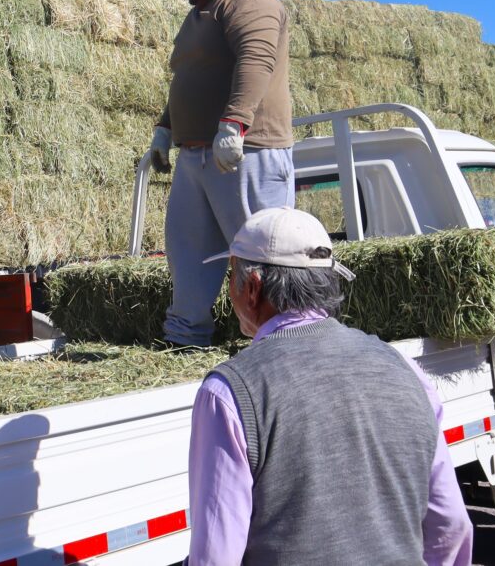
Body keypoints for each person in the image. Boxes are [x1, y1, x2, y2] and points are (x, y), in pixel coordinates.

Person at [186, 207, 473, 565]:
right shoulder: (405, 371)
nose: (228, 291)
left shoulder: (230, 394)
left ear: (253, 289)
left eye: (232, 276)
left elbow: (215, 558)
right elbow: (452, 526)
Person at [149, 0, 295, 349]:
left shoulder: (251, 1)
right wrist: (165, 128)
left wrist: (234, 123)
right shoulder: (198, 16)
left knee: (263, 258)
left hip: (245, 154)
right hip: (197, 157)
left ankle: (281, 347)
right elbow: (189, 78)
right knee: (187, 257)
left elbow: (257, 57)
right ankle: (184, 341)